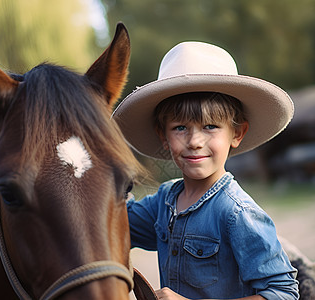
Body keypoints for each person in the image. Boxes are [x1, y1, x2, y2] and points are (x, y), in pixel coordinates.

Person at [112, 41, 299, 299]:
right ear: (163, 135)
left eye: (210, 126)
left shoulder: (237, 214)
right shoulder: (164, 202)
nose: (195, 141)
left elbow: (283, 293)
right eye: (180, 128)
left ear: (237, 133)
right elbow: (114, 221)